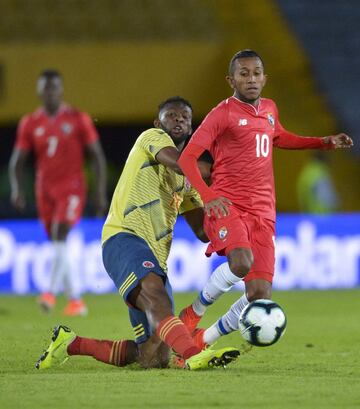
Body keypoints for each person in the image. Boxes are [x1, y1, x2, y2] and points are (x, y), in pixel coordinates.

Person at [35, 96, 240, 370]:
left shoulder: (188, 183)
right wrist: (225, 170)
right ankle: (193, 355)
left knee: (153, 357)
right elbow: (181, 163)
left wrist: (234, 219)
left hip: (155, 260)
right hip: (124, 238)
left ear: (191, 129)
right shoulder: (151, 138)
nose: (179, 119)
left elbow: (204, 231)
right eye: (172, 115)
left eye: (185, 118)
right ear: (158, 122)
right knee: (156, 297)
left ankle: (72, 343)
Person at [177, 49, 353, 347]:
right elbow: (187, 159)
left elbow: (280, 137)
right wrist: (208, 197)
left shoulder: (270, 109)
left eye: (256, 73)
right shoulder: (223, 113)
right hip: (228, 206)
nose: (251, 79)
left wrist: (323, 143)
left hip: (263, 213)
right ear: (230, 79)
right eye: (243, 74)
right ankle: (193, 313)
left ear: (265, 78)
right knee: (241, 262)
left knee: (258, 296)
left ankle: (201, 342)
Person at [9, 69, 107, 316]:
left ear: (61, 90)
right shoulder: (30, 123)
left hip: (72, 187)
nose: (50, 92)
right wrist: (17, 189)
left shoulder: (77, 119)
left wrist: (99, 192)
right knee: (57, 242)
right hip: (44, 190)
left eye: (54, 87)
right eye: (46, 88)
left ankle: (49, 293)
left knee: (59, 232)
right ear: (40, 91)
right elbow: (17, 161)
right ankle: (75, 300)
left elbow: (96, 156)